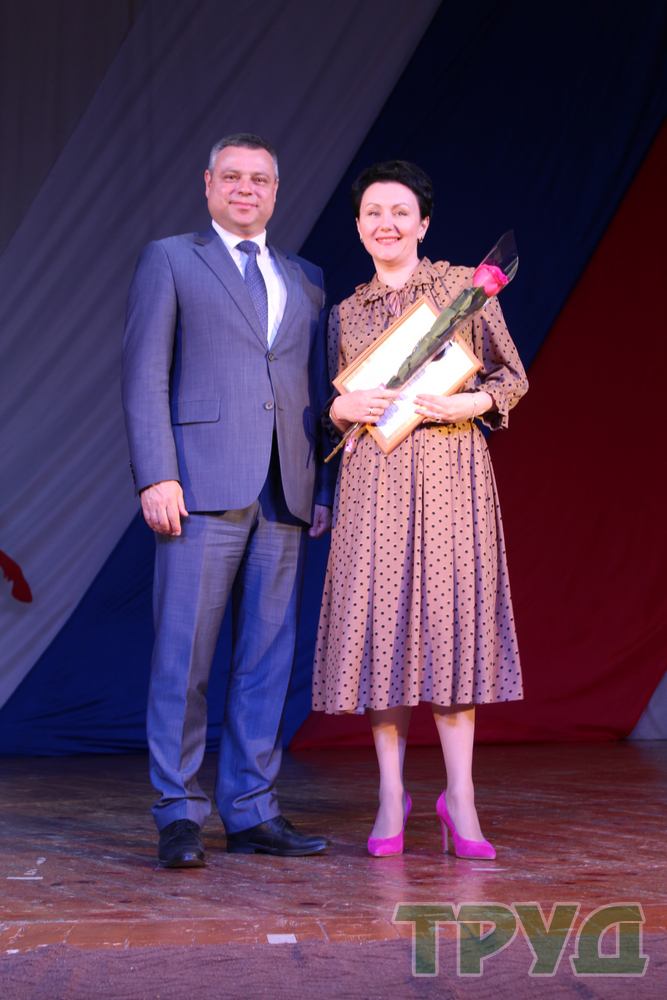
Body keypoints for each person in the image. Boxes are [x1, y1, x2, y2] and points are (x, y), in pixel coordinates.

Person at [122, 133, 334, 867]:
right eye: (233, 177)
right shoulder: (171, 259)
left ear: (276, 191)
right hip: (199, 486)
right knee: (183, 658)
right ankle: (179, 812)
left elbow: (314, 392)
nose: (247, 189)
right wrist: (156, 473)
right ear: (208, 183)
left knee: (267, 661)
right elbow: (144, 373)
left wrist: (321, 487)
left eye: (260, 179)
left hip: (285, 490)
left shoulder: (305, 277)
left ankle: (251, 809)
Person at [313, 160, 528, 858]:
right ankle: (389, 795)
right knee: (383, 628)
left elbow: (511, 377)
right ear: (358, 227)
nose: (387, 224)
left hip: (450, 474)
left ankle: (459, 797)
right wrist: (340, 408)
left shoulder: (463, 288)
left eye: (400, 211)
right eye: (373, 212)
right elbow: (330, 410)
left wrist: (471, 401)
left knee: (448, 624)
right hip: (373, 481)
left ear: (424, 223)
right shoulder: (345, 314)